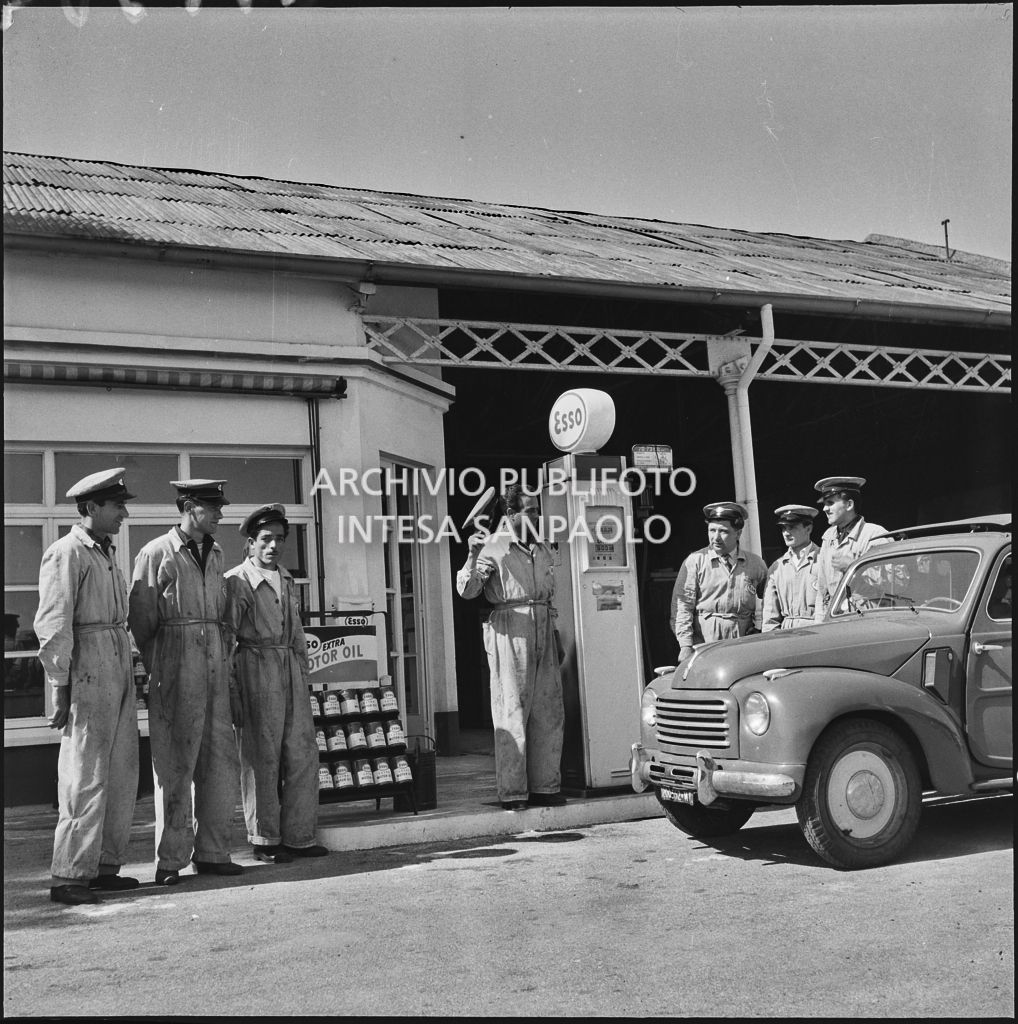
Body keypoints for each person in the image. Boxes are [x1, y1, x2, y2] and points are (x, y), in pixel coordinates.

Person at [128, 479, 242, 885]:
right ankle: (170, 861)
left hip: (214, 665)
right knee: (175, 765)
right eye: (213, 507)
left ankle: (213, 853)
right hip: (176, 663)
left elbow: (223, 611)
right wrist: (164, 664)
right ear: (190, 506)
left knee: (219, 761)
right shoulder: (156, 552)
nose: (220, 514)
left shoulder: (217, 553)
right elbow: (142, 621)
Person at [34, 469, 140, 905]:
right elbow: (54, 624)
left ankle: (102, 867)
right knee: (85, 774)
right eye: (117, 506)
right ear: (91, 507)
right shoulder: (67, 553)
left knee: (120, 772)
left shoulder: (106, 553)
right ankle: (69, 875)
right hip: (87, 668)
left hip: (116, 661)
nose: (124, 513)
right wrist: (60, 685)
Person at [224, 504, 328, 863]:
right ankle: (265, 839)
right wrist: (233, 691)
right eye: (266, 539)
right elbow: (227, 640)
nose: (273, 546)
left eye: (280, 539)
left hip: (289, 669)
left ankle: (300, 835)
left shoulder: (286, 579)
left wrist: (303, 675)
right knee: (261, 758)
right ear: (251, 543)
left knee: (302, 753)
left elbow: (297, 634)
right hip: (255, 668)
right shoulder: (237, 580)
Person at [456, 483, 565, 811]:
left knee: (549, 710)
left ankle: (545, 786)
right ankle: (514, 791)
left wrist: (555, 634)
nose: (536, 516)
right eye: (530, 511)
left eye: (537, 510)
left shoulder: (543, 548)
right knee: (512, 711)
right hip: (510, 627)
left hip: (543, 626)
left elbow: (549, 595)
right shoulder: (493, 546)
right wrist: (472, 555)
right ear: (511, 514)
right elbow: (468, 591)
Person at [671, 501, 768, 663]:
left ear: (738, 533)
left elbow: (771, 602)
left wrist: (761, 630)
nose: (715, 537)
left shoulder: (755, 564)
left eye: (723, 531)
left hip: (742, 644)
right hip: (704, 644)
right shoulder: (695, 561)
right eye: (712, 530)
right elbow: (682, 606)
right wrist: (685, 645)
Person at [812, 476, 887, 621]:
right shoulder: (828, 537)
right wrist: (819, 623)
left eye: (830, 503)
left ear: (849, 505)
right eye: (825, 504)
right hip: (834, 619)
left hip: (866, 619)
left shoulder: (875, 535)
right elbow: (822, 590)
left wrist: (855, 566)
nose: (825, 508)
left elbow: (897, 583)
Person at [762, 504, 822, 632]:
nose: (786, 533)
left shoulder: (823, 560)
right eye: (783, 528)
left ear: (808, 528)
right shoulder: (777, 567)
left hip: (816, 631)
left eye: (792, 527)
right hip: (786, 634)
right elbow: (770, 616)